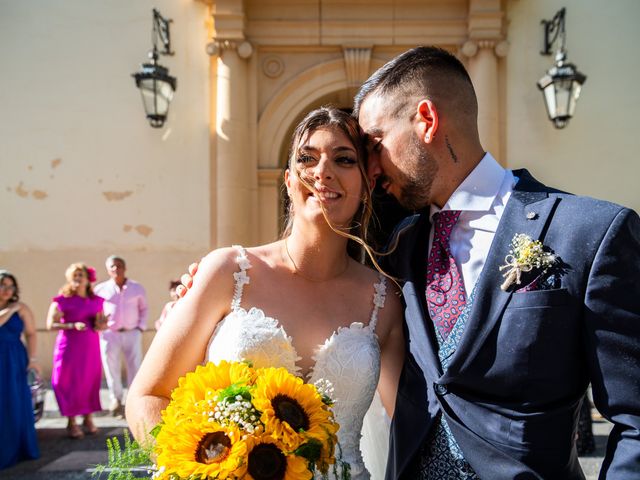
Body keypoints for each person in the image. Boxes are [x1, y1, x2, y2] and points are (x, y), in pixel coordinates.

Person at [350, 46, 640, 479]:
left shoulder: (590, 233)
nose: (370, 168)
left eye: (375, 144)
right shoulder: (400, 247)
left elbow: (634, 419)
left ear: (426, 121)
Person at [126, 107, 405, 479]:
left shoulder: (383, 301)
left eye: (344, 159)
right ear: (289, 181)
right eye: (308, 158)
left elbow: (408, 426)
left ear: (367, 187)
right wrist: (195, 470)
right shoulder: (228, 272)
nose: (322, 171)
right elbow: (147, 397)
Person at [46, 263, 106, 439]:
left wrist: (102, 324)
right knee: (67, 381)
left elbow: (99, 323)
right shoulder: (61, 300)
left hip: (90, 347)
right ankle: (71, 421)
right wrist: (71, 325)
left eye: (81, 276)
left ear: (88, 280)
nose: (78, 279)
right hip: (69, 347)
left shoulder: (96, 301)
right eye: (74, 276)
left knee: (88, 381)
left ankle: (88, 418)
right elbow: (51, 324)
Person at [94, 255, 148, 418]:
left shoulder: (137, 288)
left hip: (132, 332)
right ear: (108, 270)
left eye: (119, 266)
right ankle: (116, 400)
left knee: (135, 367)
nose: (116, 269)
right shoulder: (100, 289)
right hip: (110, 334)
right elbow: (95, 311)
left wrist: (140, 327)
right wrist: (99, 326)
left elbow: (144, 308)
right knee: (111, 368)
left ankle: (132, 402)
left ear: (124, 268)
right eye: (112, 266)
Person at [0, 270, 40, 469]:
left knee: (15, 399)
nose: (7, 290)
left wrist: (32, 359)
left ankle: (19, 446)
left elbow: (31, 334)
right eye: (3, 285)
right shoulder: (15, 308)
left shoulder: (22, 308)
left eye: (10, 286)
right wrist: (11, 310)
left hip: (14, 357)